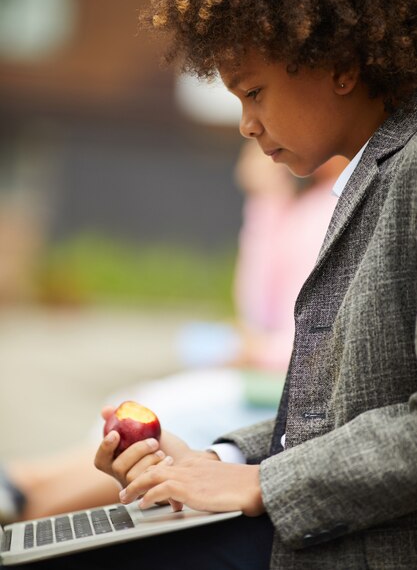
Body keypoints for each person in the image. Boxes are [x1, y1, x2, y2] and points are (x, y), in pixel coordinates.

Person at [13, 0, 417, 568]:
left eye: (254, 91)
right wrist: (216, 461)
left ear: (340, 63)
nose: (246, 124)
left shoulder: (409, 171)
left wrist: (262, 484)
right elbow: (333, 421)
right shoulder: (370, 174)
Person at [3, 142, 345, 522]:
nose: (253, 133)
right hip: (262, 375)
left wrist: (257, 350)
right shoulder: (299, 207)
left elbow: (317, 339)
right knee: (137, 409)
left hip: (280, 386)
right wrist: (265, 201)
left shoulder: (331, 210)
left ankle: (28, 495)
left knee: (167, 418)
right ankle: (26, 487)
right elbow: (258, 308)